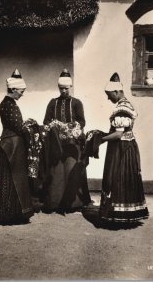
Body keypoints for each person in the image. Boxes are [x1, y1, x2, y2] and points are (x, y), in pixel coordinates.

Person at [99, 72, 149, 222]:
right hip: (128, 147)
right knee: (125, 179)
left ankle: (118, 214)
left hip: (122, 149)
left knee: (118, 178)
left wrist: (100, 139)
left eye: (109, 95)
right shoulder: (126, 104)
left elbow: (118, 134)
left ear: (116, 92)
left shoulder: (122, 109)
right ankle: (126, 213)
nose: (108, 98)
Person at [0, 69, 34, 225]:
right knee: (11, 179)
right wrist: (33, 128)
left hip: (9, 146)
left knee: (10, 179)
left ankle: (8, 213)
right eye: (21, 91)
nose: (22, 94)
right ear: (13, 89)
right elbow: (18, 127)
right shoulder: (9, 104)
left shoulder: (7, 103)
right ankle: (8, 215)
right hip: (11, 147)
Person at [42, 69, 91, 213]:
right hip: (56, 143)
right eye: (61, 88)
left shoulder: (76, 103)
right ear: (58, 88)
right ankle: (55, 202)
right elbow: (46, 120)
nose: (64, 91)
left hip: (72, 143)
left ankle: (73, 203)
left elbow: (82, 121)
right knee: (56, 171)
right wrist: (54, 125)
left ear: (70, 87)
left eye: (66, 88)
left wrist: (71, 127)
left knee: (71, 170)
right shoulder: (53, 103)